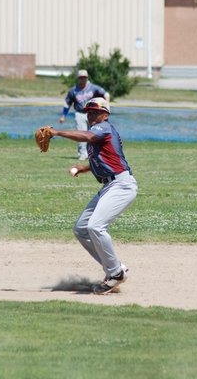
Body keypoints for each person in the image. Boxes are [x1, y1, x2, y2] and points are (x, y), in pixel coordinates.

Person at [48, 97, 137, 295]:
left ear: (105, 115)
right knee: (81, 228)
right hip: (110, 185)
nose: (91, 115)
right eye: (88, 112)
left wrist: (57, 132)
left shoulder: (104, 127)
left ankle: (115, 272)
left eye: (95, 112)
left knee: (95, 226)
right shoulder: (98, 133)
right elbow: (106, 159)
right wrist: (84, 168)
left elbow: (86, 137)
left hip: (121, 185)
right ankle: (113, 270)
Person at [59, 69, 110, 160]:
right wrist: (63, 115)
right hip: (80, 114)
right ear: (78, 78)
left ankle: (95, 153)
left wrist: (107, 104)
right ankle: (82, 154)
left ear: (87, 78)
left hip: (94, 115)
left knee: (95, 134)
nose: (83, 79)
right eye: (81, 78)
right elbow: (67, 103)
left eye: (84, 77)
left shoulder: (93, 88)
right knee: (82, 134)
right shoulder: (73, 90)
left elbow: (106, 94)